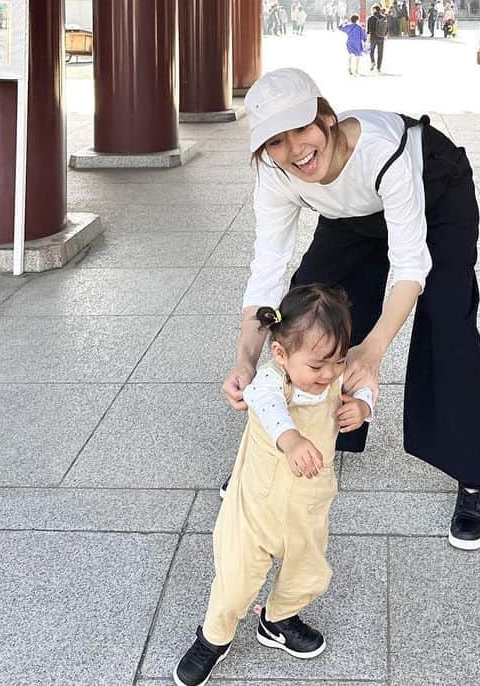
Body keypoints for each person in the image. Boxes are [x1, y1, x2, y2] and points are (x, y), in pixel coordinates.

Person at [223, 67, 480, 552]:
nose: (296, 151)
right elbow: (268, 270)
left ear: (325, 117)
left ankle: (473, 477)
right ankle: (305, 436)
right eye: (276, 142)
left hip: (435, 196)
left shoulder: (381, 147)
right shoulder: (275, 172)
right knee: (306, 312)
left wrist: (372, 349)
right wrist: (246, 356)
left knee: (447, 320)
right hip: (354, 216)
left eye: (301, 130)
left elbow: (410, 264)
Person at [175, 285, 373, 685]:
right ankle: (214, 638)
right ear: (281, 354)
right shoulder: (269, 380)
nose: (329, 374)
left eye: (337, 361)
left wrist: (363, 405)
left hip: (308, 504)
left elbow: (363, 383)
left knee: (308, 572)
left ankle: (278, 619)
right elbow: (267, 407)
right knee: (236, 578)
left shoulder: (336, 375)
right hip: (255, 506)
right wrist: (292, 439)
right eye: (317, 366)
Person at [367, 4, 388, 72]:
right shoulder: (384, 17)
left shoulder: (370, 18)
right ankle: (379, 67)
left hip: (373, 37)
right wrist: (385, 35)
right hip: (381, 37)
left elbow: (368, 30)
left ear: (374, 10)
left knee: (371, 51)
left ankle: (373, 62)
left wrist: (368, 38)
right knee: (380, 53)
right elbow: (386, 28)